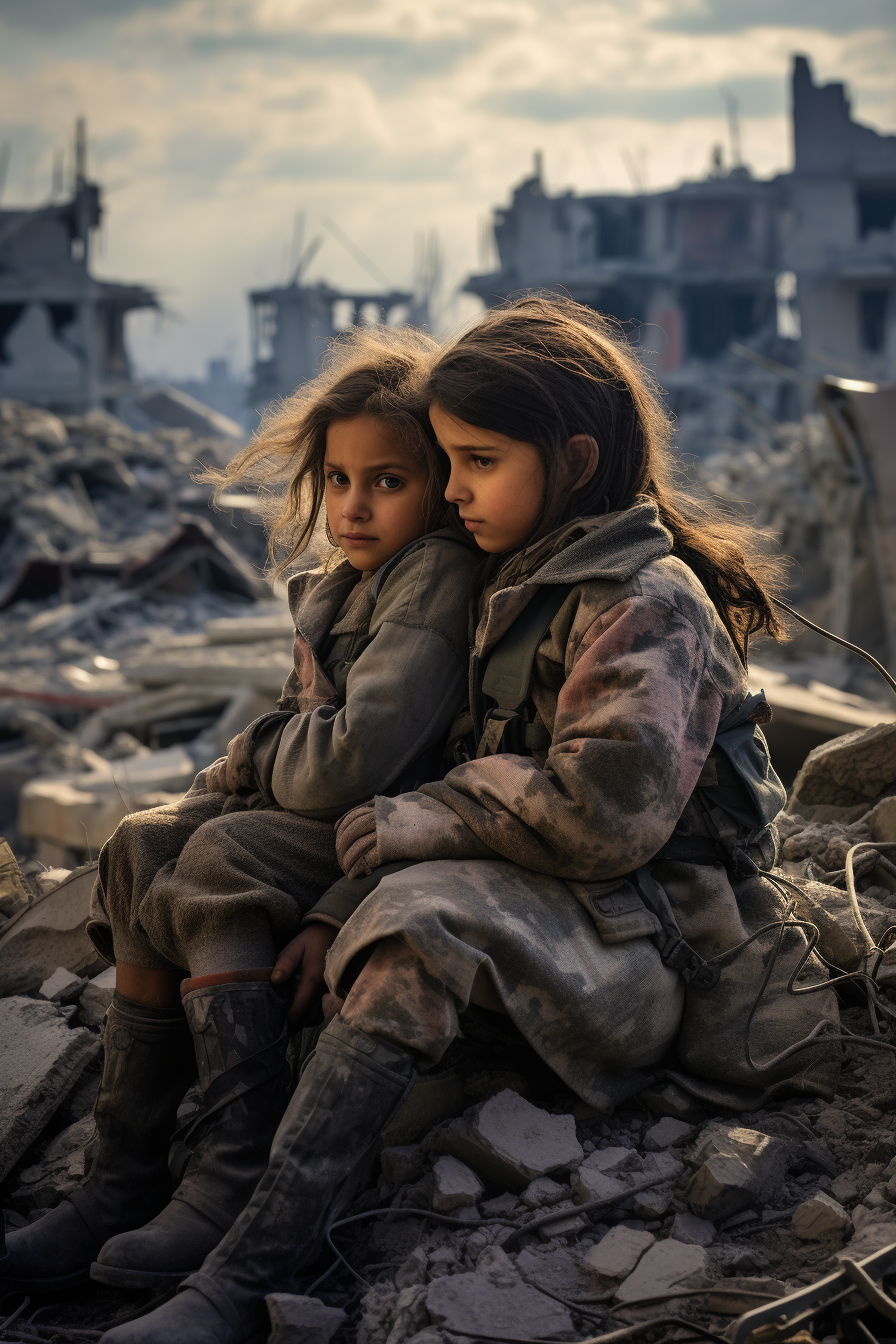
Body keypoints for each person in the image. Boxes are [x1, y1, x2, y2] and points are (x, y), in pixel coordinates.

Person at [101, 296, 839, 1344]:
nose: (452, 491)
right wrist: (333, 902)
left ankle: (249, 1268)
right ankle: (131, 1183)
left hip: (647, 940)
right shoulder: (514, 580)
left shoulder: (643, 600)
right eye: (445, 462)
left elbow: (601, 818)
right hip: (549, 904)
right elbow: (435, 777)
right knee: (194, 852)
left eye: (478, 461)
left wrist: (413, 835)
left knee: (418, 925)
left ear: (573, 459)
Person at [1, 326, 481, 1295]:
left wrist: (256, 756)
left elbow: (343, 764)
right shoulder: (354, 582)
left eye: (386, 481)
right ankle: (121, 1179)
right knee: (141, 843)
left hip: (386, 829)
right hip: (337, 809)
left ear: (437, 487)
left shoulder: (433, 576)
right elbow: (301, 729)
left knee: (224, 859)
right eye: (338, 480)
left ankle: (229, 1173)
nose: (353, 504)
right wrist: (240, 770)